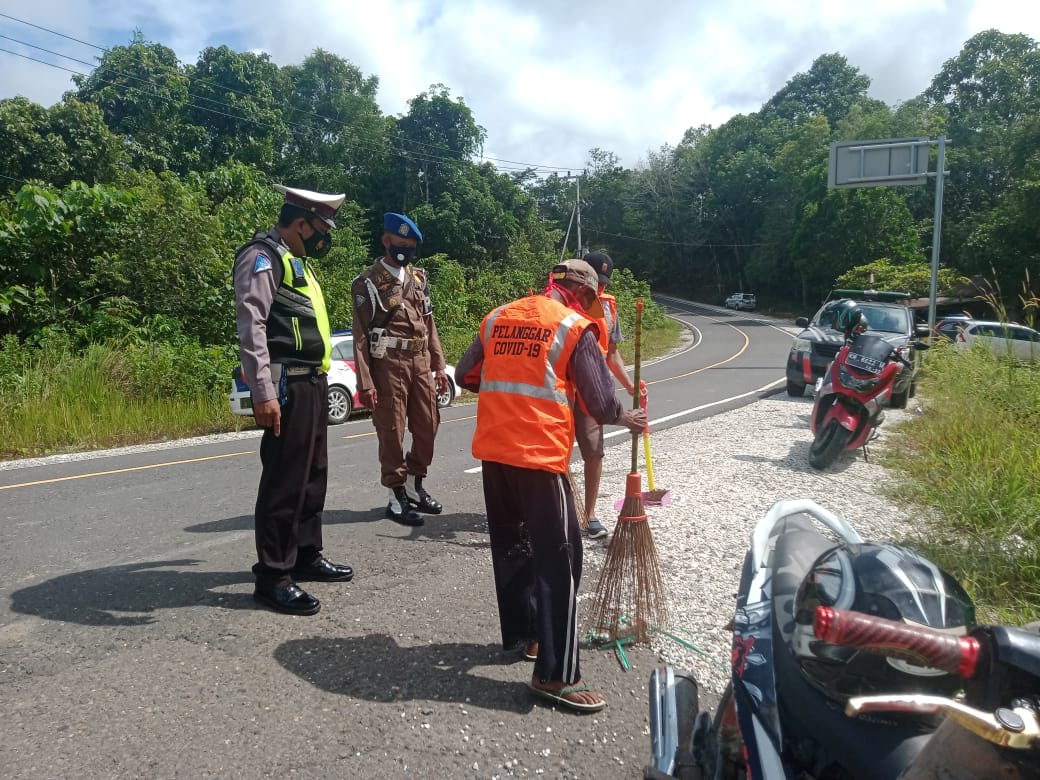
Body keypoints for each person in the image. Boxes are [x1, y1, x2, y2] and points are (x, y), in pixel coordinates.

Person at [454, 259, 647, 713]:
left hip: (495, 458)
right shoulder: (575, 326)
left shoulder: (498, 316)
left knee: (514, 548)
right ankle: (556, 677)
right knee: (562, 561)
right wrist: (626, 417)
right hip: (538, 460)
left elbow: (466, 376)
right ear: (582, 294)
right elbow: (599, 403)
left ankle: (532, 638)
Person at [233, 184, 354, 616]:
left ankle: (305, 555)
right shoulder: (262, 256)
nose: (326, 238)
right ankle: (273, 575)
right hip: (287, 385)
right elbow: (253, 326)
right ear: (301, 223)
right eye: (322, 229)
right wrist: (262, 391)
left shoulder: (293, 259)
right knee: (285, 481)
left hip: (313, 382)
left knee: (312, 476)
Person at [351, 213, 449, 527]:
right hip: (388, 363)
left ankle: (414, 483)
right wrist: (365, 381)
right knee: (392, 428)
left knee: (428, 424)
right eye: (400, 244)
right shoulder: (367, 281)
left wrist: (439, 365)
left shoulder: (418, 278)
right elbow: (360, 335)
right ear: (386, 241)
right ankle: (396, 495)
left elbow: (430, 324)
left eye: (410, 245)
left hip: (419, 361)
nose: (405, 250)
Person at [575, 251, 636, 540]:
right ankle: (555, 511)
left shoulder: (609, 307)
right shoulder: (562, 300)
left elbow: (612, 353)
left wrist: (630, 385)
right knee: (557, 453)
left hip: (593, 390)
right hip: (562, 388)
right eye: (595, 280)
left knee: (595, 452)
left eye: (603, 282)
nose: (599, 287)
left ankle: (588, 516)